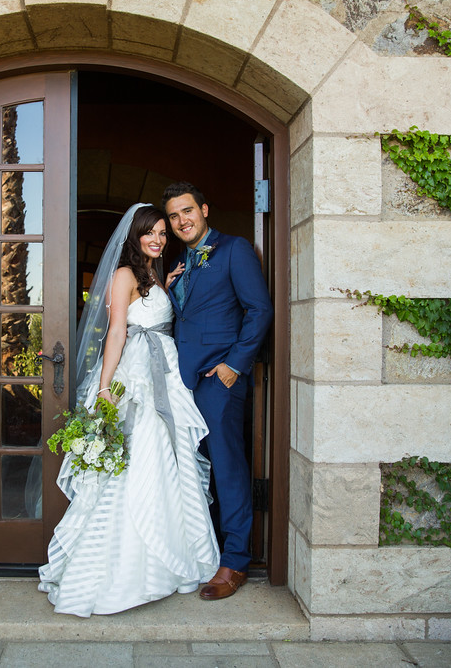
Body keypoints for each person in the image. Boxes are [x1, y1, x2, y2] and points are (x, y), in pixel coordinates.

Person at [38, 203, 220, 617]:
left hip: (166, 370)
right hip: (138, 372)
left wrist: (168, 284)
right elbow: (117, 330)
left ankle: (169, 558)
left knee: (169, 462)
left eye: (162, 233)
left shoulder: (154, 272)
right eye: (150, 233)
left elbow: (152, 308)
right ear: (134, 237)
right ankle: (120, 572)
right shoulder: (123, 275)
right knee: (139, 459)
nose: (158, 239)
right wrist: (105, 389)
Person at [163, 182, 273, 601]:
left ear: (204, 209)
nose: (181, 221)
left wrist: (233, 366)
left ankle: (236, 562)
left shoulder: (233, 249)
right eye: (173, 216)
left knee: (227, 468)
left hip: (219, 382)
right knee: (193, 471)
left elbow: (259, 309)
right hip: (183, 382)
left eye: (187, 211)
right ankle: (203, 551)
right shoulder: (181, 262)